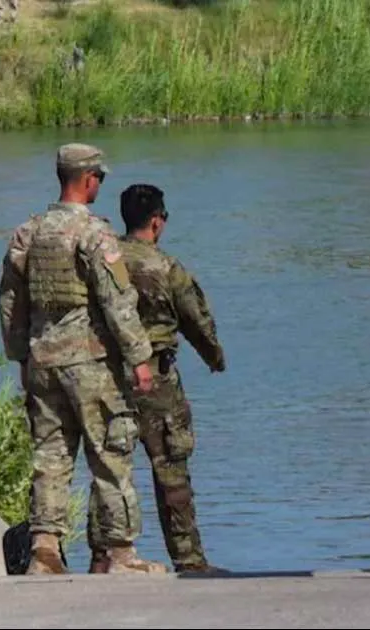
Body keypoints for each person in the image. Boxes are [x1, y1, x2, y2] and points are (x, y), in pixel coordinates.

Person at [0, 143, 164, 575]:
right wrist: (140, 358)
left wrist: (21, 356)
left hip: (42, 362)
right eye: (99, 179)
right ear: (89, 180)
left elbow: (11, 302)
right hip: (90, 364)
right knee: (111, 455)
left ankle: (44, 553)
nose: (99, 185)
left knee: (50, 458)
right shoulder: (94, 234)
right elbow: (117, 300)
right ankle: (120, 554)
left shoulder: (28, 233)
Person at [84, 184, 228, 575]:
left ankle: (101, 557)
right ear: (157, 221)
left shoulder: (105, 260)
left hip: (108, 377)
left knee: (110, 467)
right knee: (171, 467)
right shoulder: (165, 267)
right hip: (157, 379)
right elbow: (196, 320)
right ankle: (189, 560)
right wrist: (215, 358)